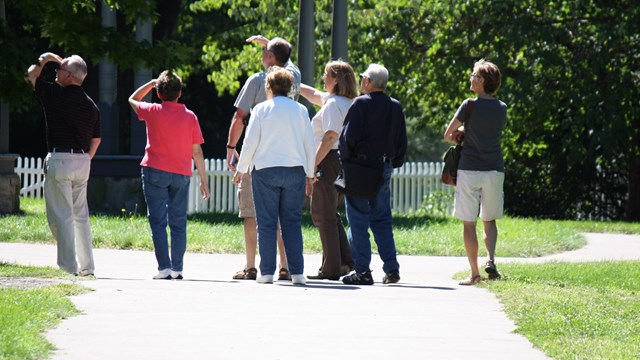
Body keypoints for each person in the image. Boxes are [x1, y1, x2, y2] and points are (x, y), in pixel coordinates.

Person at [226, 35, 301, 281]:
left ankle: (251, 267)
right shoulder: (294, 79)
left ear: (269, 57)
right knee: (285, 218)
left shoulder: (257, 81)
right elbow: (287, 61)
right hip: (290, 158)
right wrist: (273, 45)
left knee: (252, 213)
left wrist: (231, 147)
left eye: (264, 53)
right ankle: (285, 266)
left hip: (260, 159)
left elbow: (240, 117)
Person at [232, 66, 315, 285]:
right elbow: (309, 145)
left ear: (268, 87)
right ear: (290, 88)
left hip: (265, 171)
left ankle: (266, 272)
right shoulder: (300, 110)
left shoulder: (260, 109)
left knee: (266, 223)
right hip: (294, 171)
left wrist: (241, 169)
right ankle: (297, 272)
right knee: (292, 223)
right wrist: (310, 175)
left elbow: (250, 142)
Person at [128, 70, 210, 280]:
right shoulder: (190, 116)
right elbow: (197, 151)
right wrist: (203, 179)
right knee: (178, 221)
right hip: (181, 174)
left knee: (157, 220)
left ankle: (164, 267)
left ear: (158, 92)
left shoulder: (152, 110)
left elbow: (132, 99)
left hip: (155, 170)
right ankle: (177, 268)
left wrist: (151, 83)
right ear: (180, 93)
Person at [26, 52, 101, 276]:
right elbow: (97, 139)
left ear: (68, 75)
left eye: (59, 69)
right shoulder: (91, 105)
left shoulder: (54, 94)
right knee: (80, 217)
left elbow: (31, 75)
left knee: (62, 216)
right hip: (82, 161)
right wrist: (87, 158)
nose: (56, 72)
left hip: (60, 159)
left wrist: (46, 59)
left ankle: (68, 267)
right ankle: (87, 267)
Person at [339, 64, 407, 285]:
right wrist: (393, 162)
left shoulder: (361, 104)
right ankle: (392, 269)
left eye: (363, 79)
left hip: (360, 167)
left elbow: (348, 138)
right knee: (382, 219)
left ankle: (363, 271)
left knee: (358, 218)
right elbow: (401, 141)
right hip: (384, 166)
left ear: (368, 81)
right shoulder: (395, 107)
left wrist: (346, 159)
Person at [443, 59, 507, 286]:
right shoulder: (502, 108)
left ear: (481, 82)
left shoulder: (468, 105)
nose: (471, 78)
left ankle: (475, 274)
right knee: (489, 219)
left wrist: (461, 131)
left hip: (469, 169)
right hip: (494, 169)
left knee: (469, 223)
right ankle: (490, 259)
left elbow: (448, 135)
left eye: (474, 76)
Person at [299, 60, 358, 280]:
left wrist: (312, 164)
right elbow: (313, 94)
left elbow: (330, 136)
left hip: (328, 160)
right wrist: (293, 81)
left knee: (322, 215)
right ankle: (345, 262)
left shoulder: (333, 104)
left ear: (337, 79)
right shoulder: (346, 101)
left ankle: (331, 269)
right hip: (341, 161)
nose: (323, 78)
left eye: (326, 75)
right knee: (330, 213)